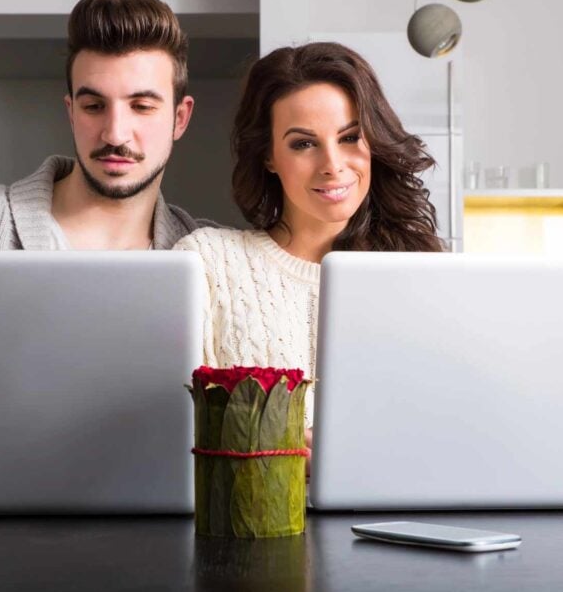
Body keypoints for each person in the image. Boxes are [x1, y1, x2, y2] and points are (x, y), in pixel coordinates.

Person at [174, 42, 444, 430]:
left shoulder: (418, 271)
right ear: (268, 156)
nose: (332, 165)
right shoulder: (209, 263)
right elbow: (179, 428)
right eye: (303, 144)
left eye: (350, 137)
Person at [0, 0, 207, 251]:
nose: (115, 135)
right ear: (71, 113)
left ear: (180, 118)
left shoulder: (217, 259)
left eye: (141, 106)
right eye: (94, 106)